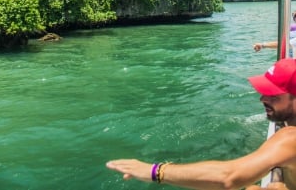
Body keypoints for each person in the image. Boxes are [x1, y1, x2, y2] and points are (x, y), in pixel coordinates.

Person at [106, 58, 296, 190]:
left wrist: (155, 171)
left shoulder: (289, 137)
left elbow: (229, 178)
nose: (262, 98)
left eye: (273, 95)